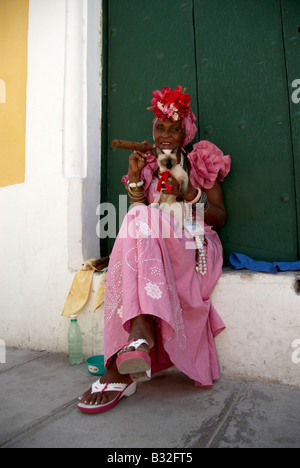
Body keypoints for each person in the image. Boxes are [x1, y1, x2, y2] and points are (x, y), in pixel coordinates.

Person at [78, 86, 231, 414]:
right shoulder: (149, 164)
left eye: (173, 128)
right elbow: (142, 216)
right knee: (138, 216)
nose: (164, 135)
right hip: (159, 242)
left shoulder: (199, 160)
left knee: (139, 218)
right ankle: (139, 334)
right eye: (159, 128)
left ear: (185, 132)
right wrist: (135, 181)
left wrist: (188, 193)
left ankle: (131, 343)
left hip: (195, 241)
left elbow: (218, 216)